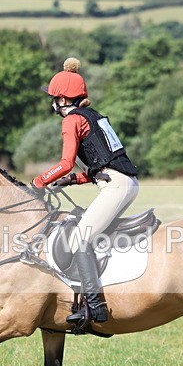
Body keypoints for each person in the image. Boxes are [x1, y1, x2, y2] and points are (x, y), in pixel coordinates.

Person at [31, 57, 139, 329]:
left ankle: (96, 307)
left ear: (62, 99)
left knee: (80, 237)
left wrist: (40, 181)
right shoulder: (94, 116)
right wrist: (71, 180)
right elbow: (102, 165)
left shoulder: (71, 121)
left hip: (116, 185)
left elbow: (66, 161)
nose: (52, 103)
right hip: (122, 182)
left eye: (54, 97)